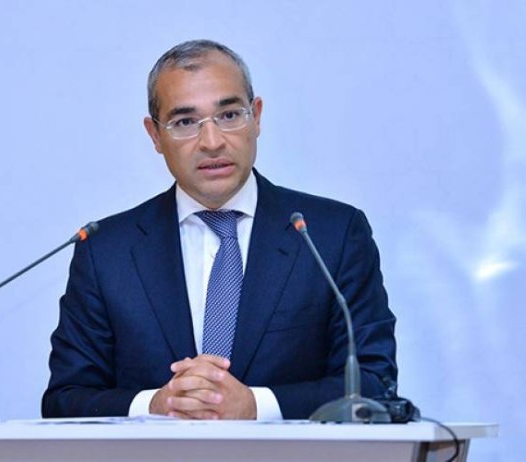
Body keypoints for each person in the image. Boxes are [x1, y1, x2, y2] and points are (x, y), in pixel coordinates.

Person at [42, 39, 397, 420]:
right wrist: (157, 405)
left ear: (256, 117)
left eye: (229, 115)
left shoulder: (331, 235)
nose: (212, 142)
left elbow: (374, 383)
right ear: (155, 135)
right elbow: (64, 399)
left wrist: (255, 406)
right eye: (185, 122)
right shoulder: (106, 252)